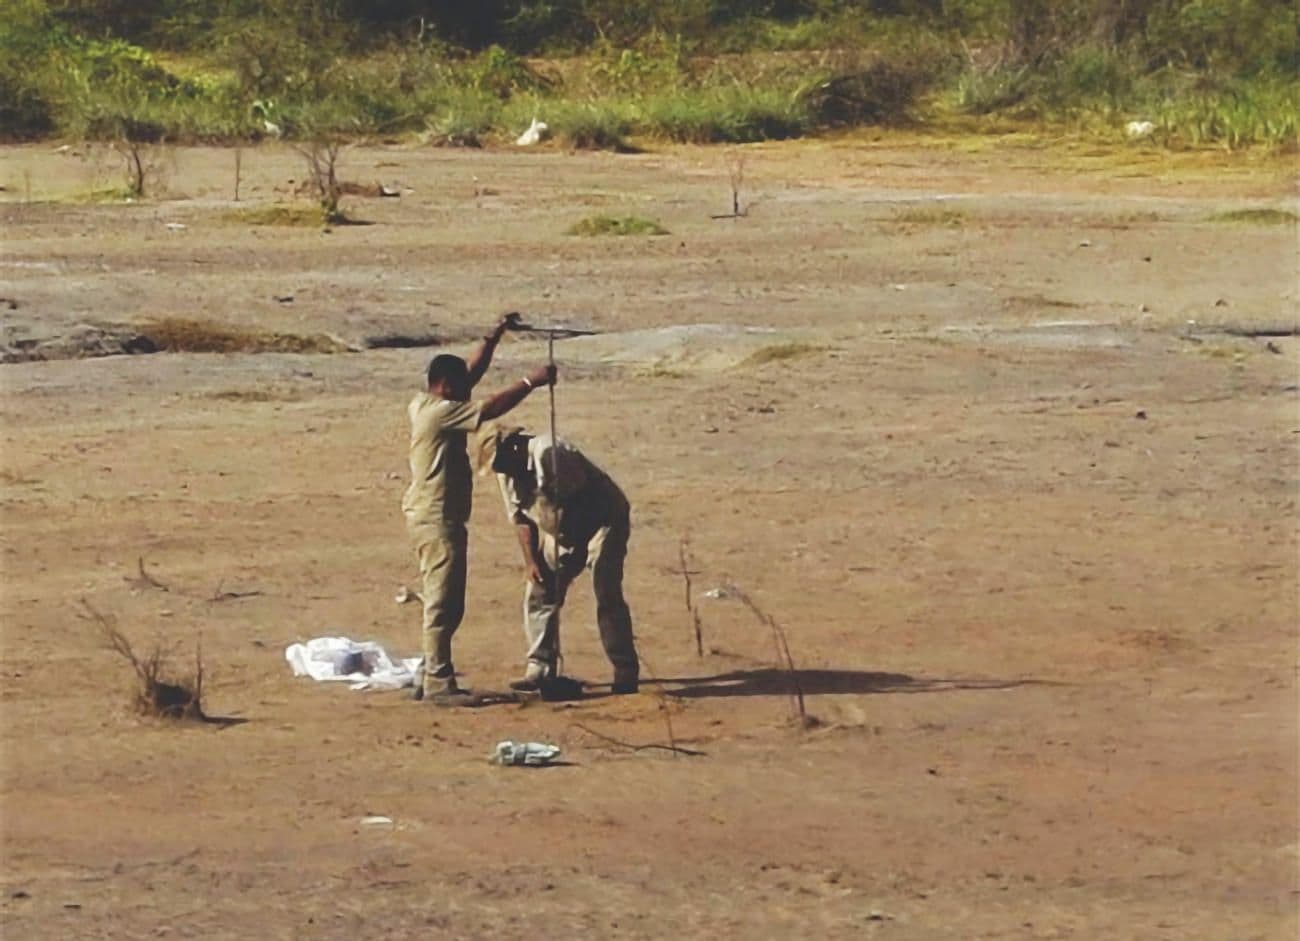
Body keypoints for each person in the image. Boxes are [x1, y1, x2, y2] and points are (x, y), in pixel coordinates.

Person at [402, 316, 555, 706]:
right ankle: (438, 681)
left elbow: (471, 373)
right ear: (447, 387)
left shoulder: (427, 401)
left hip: (430, 515)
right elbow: (489, 408)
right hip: (437, 519)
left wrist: (495, 335)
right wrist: (530, 382)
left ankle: (430, 669)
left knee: (446, 600)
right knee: (443, 601)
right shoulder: (439, 413)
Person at [476, 427, 640, 696]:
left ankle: (625, 671)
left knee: (606, 593)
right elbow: (521, 519)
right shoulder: (506, 472)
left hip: (602, 521)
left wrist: (574, 544)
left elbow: (577, 501)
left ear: (514, 448)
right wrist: (531, 562)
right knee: (540, 591)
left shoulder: (551, 453)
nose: (501, 470)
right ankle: (540, 667)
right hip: (561, 531)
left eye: (502, 463)